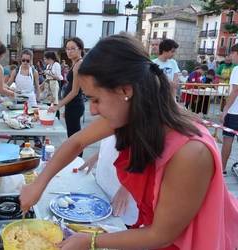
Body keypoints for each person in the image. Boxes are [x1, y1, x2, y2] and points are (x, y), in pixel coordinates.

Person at [20, 34, 238, 249]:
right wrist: (39, 185)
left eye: (96, 99)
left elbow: (161, 235)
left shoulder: (191, 153)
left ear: (125, 90)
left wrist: (90, 240)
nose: (93, 110)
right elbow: (76, 142)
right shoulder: (131, 112)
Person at [78, 136, 138, 226]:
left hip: (123, 187)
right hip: (107, 181)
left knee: (119, 220)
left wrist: (125, 187)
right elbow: (111, 138)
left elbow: (142, 155)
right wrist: (98, 155)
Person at [49, 37, 85, 157]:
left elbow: (75, 91)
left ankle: (77, 160)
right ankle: (75, 159)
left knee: (74, 137)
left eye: (72, 49)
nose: (69, 51)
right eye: (67, 49)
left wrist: (58, 106)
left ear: (80, 49)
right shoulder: (75, 63)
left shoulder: (79, 64)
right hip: (72, 105)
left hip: (75, 104)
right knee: (73, 135)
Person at [220, 43, 238, 176]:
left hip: (234, 112)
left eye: (232, 53)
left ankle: (222, 169)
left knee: (228, 139)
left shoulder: (236, 69)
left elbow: (235, 91)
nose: (230, 56)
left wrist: (225, 109)